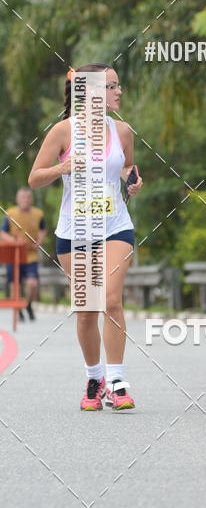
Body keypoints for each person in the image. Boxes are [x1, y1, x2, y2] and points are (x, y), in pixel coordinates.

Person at [28, 63, 143, 411]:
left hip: (115, 226)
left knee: (110, 299)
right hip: (75, 230)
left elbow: (126, 166)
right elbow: (35, 178)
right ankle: (95, 379)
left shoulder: (123, 130)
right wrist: (63, 167)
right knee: (87, 309)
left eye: (118, 85)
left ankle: (118, 382)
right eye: (112, 86)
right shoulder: (63, 131)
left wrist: (132, 180)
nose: (119, 91)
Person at [1, 187, 48, 320]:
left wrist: (39, 241)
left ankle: (28, 305)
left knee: (32, 283)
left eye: (27, 197)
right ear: (17, 199)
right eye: (22, 197)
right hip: (14, 254)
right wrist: (13, 241)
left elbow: (43, 229)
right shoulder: (10, 213)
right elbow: (3, 232)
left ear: (31, 199)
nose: (25, 200)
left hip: (30, 254)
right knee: (15, 284)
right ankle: (18, 310)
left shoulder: (38, 214)